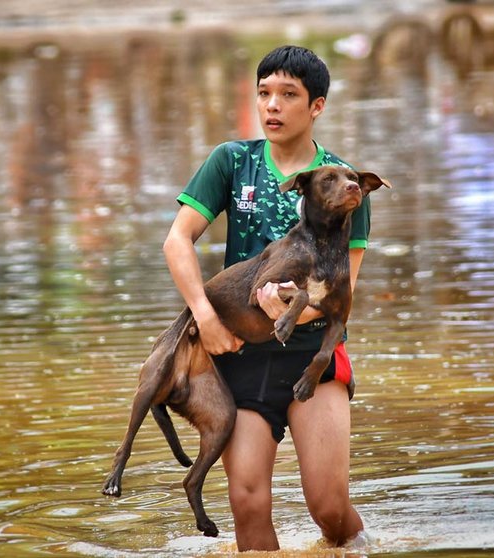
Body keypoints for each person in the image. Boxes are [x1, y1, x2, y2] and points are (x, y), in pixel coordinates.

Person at [162, 45, 370, 551]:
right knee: (248, 503)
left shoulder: (344, 184)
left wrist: (296, 310)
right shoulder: (232, 162)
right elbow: (176, 240)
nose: (272, 105)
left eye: (288, 95)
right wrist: (206, 319)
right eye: (264, 94)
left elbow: (344, 289)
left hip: (312, 357)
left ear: (316, 105)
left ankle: (361, 547)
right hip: (238, 355)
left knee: (327, 506)